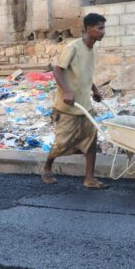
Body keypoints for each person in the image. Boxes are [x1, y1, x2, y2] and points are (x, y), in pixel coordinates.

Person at [41, 13, 108, 189]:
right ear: (88, 29)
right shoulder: (74, 47)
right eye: (99, 28)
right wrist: (67, 92)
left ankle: (89, 178)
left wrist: (95, 91)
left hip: (85, 104)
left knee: (91, 140)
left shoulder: (92, 49)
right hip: (68, 106)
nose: (103, 32)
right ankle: (47, 167)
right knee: (62, 142)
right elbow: (57, 70)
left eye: (103, 28)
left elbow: (85, 74)